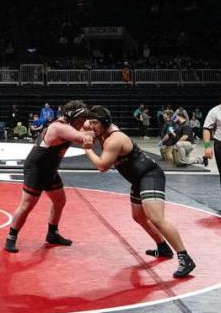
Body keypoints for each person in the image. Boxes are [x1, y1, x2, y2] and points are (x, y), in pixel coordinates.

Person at [81, 105, 196, 278]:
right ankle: (163, 247)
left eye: (95, 123)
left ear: (104, 122)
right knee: (138, 216)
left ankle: (185, 257)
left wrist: (88, 149)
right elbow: (84, 129)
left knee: (156, 218)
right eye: (91, 123)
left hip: (150, 175)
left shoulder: (115, 139)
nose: (92, 127)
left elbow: (102, 166)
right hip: (138, 179)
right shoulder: (103, 131)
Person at [4, 101, 93, 254]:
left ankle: (52, 234)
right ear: (72, 117)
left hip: (49, 169)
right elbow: (83, 138)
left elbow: (85, 128)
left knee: (59, 201)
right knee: (27, 205)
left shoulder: (70, 124)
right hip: (36, 169)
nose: (83, 122)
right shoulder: (59, 127)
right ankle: (10, 238)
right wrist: (104, 130)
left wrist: (92, 125)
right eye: (81, 119)